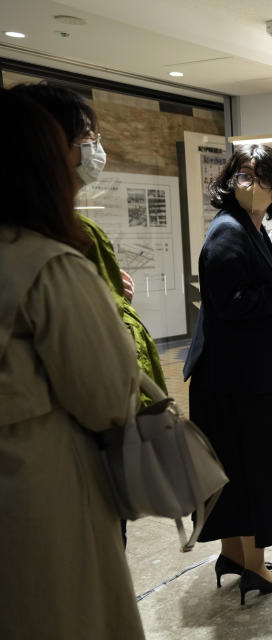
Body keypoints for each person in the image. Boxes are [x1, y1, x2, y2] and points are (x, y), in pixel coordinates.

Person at [0, 89, 145, 639]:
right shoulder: (50, 264)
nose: (87, 156)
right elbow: (108, 396)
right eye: (77, 145)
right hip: (43, 486)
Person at [10, 82, 169, 546]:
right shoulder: (57, 256)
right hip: (63, 472)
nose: (95, 150)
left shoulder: (62, 241)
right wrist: (107, 314)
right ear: (45, 148)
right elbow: (105, 392)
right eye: (84, 139)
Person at [182, 144, 272, 603]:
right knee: (254, 469)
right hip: (233, 380)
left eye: (262, 177)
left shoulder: (249, 228)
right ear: (230, 179)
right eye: (243, 174)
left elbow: (248, 290)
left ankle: (235, 556)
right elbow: (233, 304)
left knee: (233, 470)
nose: (252, 185)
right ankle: (254, 566)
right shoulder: (227, 233)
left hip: (235, 375)